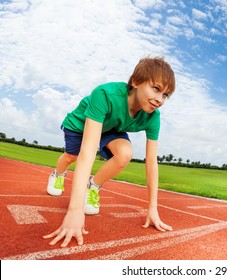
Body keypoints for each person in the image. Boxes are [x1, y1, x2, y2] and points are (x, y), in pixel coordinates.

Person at [43, 57, 175, 247]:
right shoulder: (105, 94)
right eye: (156, 88)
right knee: (73, 156)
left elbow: (152, 162)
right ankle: (58, 174)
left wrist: (153, 208)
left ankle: (93, 186)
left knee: (125, 154)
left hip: (110, 128)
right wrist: (75, 210)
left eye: (165, 95)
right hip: (80, 125)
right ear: (136, 82)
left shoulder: (153, 117)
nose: (160, 99)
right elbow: (88, 152)